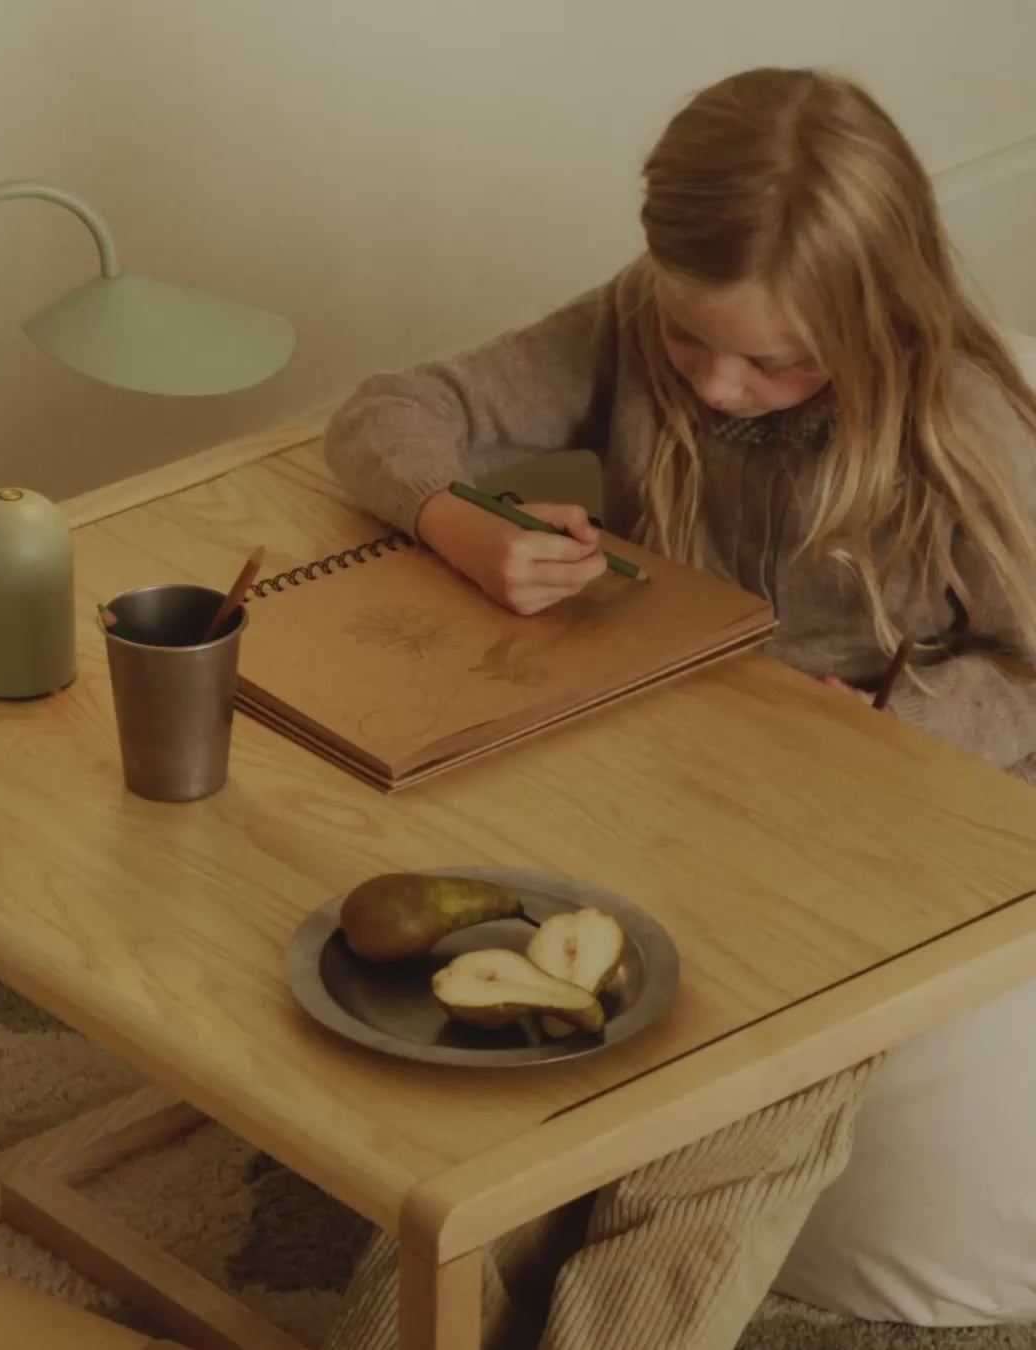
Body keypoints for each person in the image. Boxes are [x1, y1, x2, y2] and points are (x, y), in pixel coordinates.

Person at [321, 66, 1036, 1350]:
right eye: (690, 339)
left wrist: (900, 730)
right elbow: (392, 410)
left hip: (875, 841)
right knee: (513, 1069)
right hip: (670, 788)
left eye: (772, 361)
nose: (712, 387)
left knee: (715, 1132)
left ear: (879, 317)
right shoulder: (627, 330)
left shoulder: (966, 422)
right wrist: (459, 520)